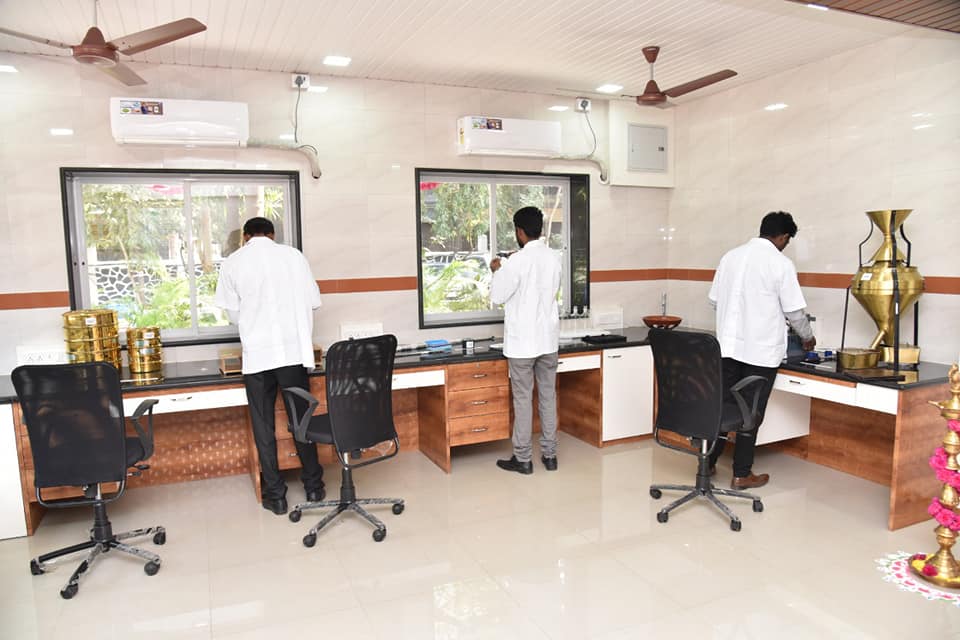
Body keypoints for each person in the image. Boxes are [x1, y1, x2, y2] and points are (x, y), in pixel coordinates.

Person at [214, 217, 325, 514]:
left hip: (258, 357)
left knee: (263, 426)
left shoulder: (233, 262)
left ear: (245, 237)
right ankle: (314, 487)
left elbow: (233, 316)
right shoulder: (294, 256)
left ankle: (276, 496)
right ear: (272, 235)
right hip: (292, 353)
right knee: (301, 420)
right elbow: (314, 302)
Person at [708, 211, 815, 489]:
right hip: (760, 354)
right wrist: (807, 337)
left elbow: (715, 301)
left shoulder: (730, 257)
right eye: (786, 241)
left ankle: (707, 464)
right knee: (750, 412)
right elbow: (794, 312)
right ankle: (741, 473)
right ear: (783, 237)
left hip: (728, 348)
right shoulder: (781, 264)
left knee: (723, 408)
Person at [490, 206, 562, 474]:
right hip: (548, 341)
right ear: (539, 229)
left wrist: (497, 270)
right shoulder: (554, 258)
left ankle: (523, 459)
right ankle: (550, 456)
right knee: (548, 397)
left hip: (522, 345)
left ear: (519, 231)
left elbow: (498, 296)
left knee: (523, 400)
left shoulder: (516, 262)